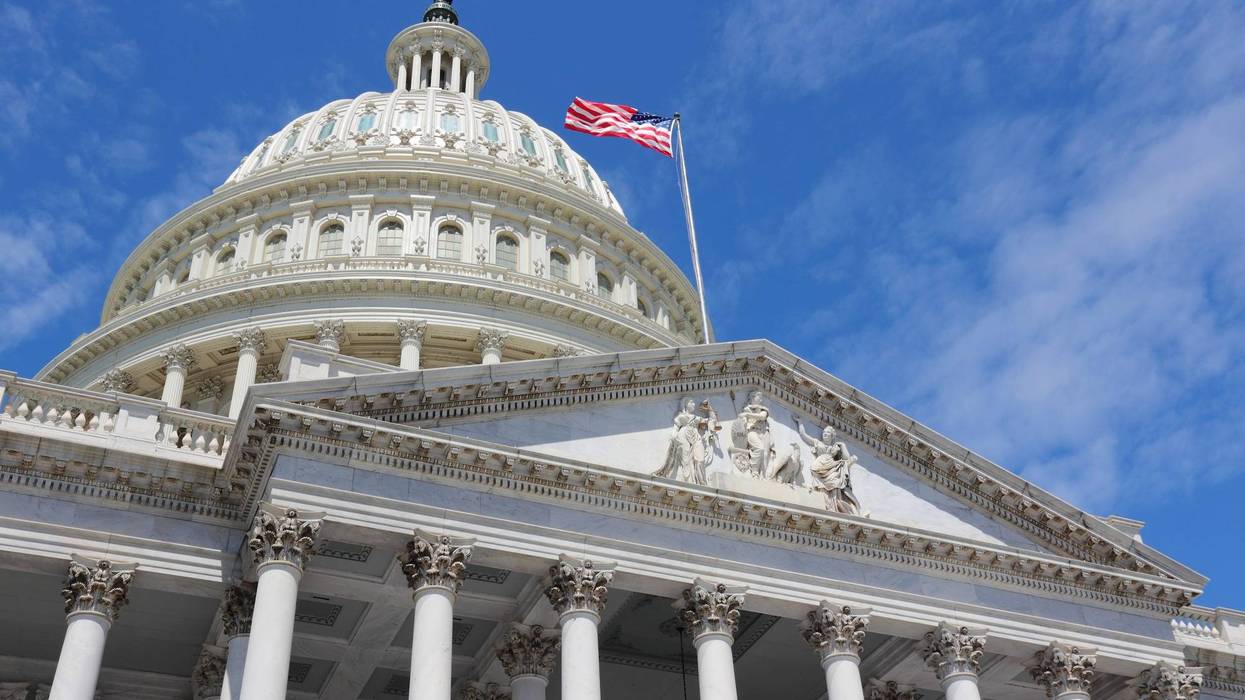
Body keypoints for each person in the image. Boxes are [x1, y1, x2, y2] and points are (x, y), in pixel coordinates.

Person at [795, 417, 865, 515]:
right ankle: (826, 504)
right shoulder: (817, 442)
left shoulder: (835, 447)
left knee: (836, 479)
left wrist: (843, 445)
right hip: (820, 467)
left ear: (832, 436)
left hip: (831, 466)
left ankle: (834, 505)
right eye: (824, 432)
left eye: (827, 433)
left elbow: (846, 458)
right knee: (822, 485)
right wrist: (800, 423)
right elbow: (804, 435)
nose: (825, 434)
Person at [653, 398, 719, 485]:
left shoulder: (697, 418)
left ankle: (701, 482)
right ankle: (689, 481)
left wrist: (710, 410)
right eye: (691, 402)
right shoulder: (681, 417)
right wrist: (674, 436)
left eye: (693, 402)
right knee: (686, 460)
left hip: (696, 438)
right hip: (683, 436)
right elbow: (676, 426)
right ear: (685, 405)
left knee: (700, 459)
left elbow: (711, 421)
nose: (694, 404)